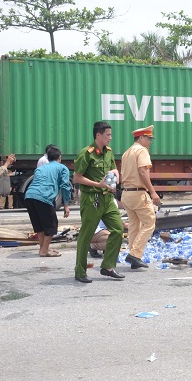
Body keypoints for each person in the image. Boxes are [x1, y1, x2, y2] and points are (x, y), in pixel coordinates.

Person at [73, 121, 124, 283]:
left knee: (118, 229)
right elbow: (77, 177)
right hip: (92, 198)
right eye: (108, 135)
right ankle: (80, 272)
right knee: (86, 235)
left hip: (108, 198)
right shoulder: (86, 154)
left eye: (111, 134)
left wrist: (116, 176)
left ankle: (107, 266)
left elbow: (113, 168)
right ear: (98, 135)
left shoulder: (109, 152)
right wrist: (98, 184)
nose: (110, 137)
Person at [120, 125, 161, 270]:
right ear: (141, 138)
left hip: (127, 193)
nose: (150, 142)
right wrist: (153, 192)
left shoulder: (127, 153)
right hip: (138, 193)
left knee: (134, 226)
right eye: (149, 138)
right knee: (149, 223)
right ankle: (135, 255)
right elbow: (143, 172)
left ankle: (134, 257)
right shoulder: (142, 151)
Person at [24, 146, 71, 257]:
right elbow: (65, 186)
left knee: (39, 225)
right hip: (43, 197)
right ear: (60, 157)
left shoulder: (40, 168)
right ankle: (44, 251)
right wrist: (66, 205)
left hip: (29, 196)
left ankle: (43, 249)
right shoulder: (62, 168)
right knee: (51, 226)